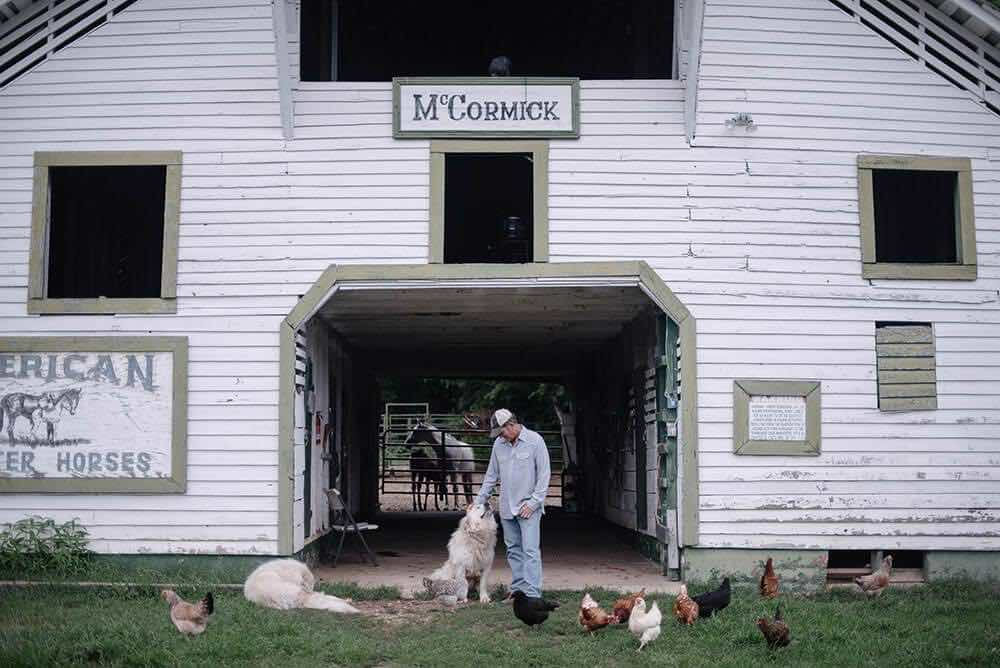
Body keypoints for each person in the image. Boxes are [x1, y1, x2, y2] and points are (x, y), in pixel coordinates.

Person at [473, 408, 551, 599]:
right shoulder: (499, 445)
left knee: (531, 551)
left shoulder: (535, 441)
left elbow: (544, 475)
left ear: (511, 425)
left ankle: (533, 593)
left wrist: (534, 503)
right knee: (513, 550)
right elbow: (491, 476)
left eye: (502, 431)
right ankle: (518, 590)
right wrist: (478, 502)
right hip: (507, 506)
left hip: (528, 508)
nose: (501, 436)